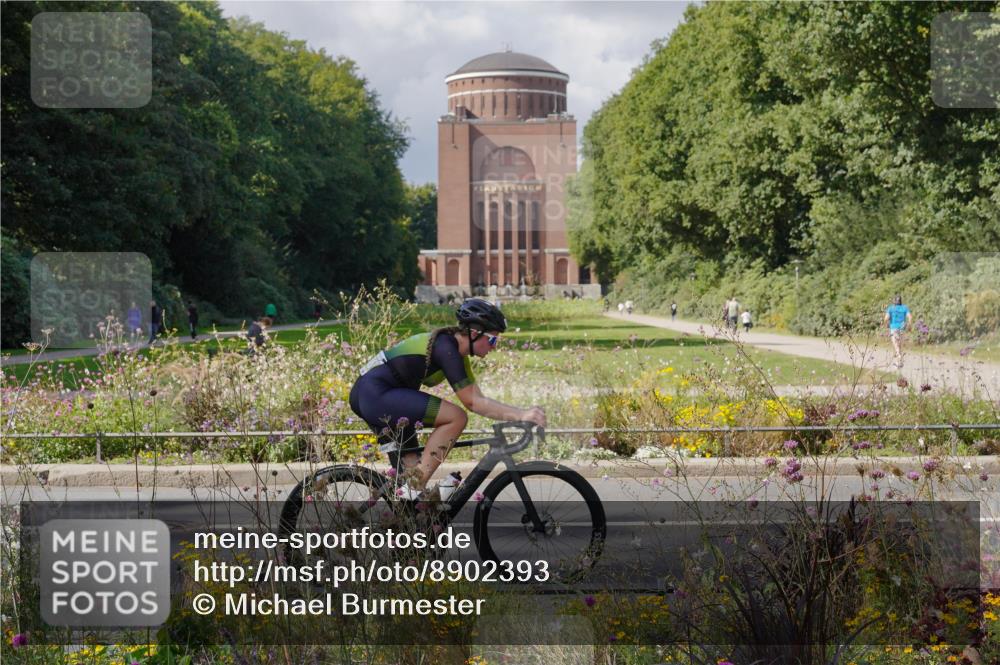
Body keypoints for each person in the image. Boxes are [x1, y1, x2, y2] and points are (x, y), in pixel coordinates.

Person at [349, 299, 545, 499]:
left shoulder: (455, 352)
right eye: (493, 340)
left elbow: (478, 399)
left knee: (409, 489)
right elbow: (471, 403)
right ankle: (414, 488)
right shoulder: (446, 347)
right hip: (376, 393)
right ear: (475, 333)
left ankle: (406, 513)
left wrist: (518, 414)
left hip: (375, 394)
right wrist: (522, 414)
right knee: (456, 417)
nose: (494, 347)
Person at [884, 294, 912, 369]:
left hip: (893, 328)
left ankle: (899, 359)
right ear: (900, 301)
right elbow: (910, 317)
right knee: (899, 345)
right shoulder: (905, 308)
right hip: (902, 328)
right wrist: (909, 325)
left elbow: (886, 318)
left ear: (894, 301)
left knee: (896, 345)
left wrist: (886, 324)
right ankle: (899, 362)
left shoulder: (891, 308)